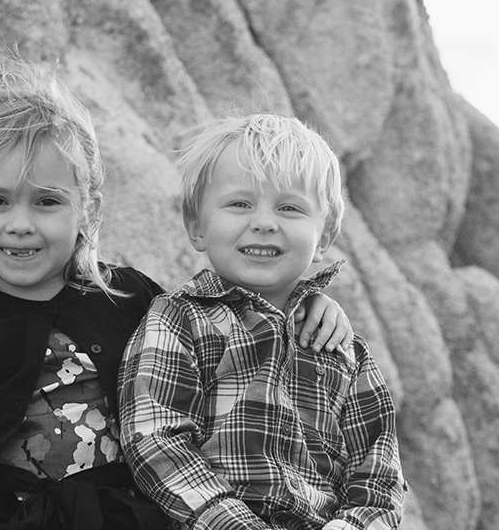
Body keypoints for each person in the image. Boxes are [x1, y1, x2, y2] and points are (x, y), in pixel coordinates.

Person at [0, 59, 354, 530]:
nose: (21, 225)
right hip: (1, 513)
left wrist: (304, 304)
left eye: (47, 202)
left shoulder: (130, 298)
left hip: (126, 513)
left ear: (86, 207)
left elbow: (219, 340)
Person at [118, 113, 408, 530]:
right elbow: (154, 438)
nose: (264, 222)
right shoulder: (180, 319)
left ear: (323, 237)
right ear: (196, 226)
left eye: (289, 208)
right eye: (240, 204)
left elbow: (379, 475)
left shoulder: (345, 353)